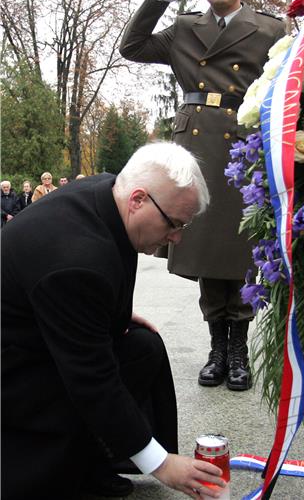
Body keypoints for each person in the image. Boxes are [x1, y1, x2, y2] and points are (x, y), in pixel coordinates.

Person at [1, 142, 227, 500]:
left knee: (142, 347)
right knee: (99, 380)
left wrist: (98, 311)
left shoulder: (109, 193)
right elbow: (93, 380)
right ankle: (59, 468)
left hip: (37, 330)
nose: (177, 237)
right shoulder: (76, 261)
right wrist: (162, 465)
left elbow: (88, 283)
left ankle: (95, 458)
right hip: (13, 371)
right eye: (174, 223)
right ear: (138, 199)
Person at [120, 0, 286, 391]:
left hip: (243, 148)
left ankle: (238, 351)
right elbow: (131, 47)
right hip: (194, 148)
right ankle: (217, 348)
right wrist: (158, 0)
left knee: (237, 248)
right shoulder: (183, 28)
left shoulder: (271, 30)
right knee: (207, 253)